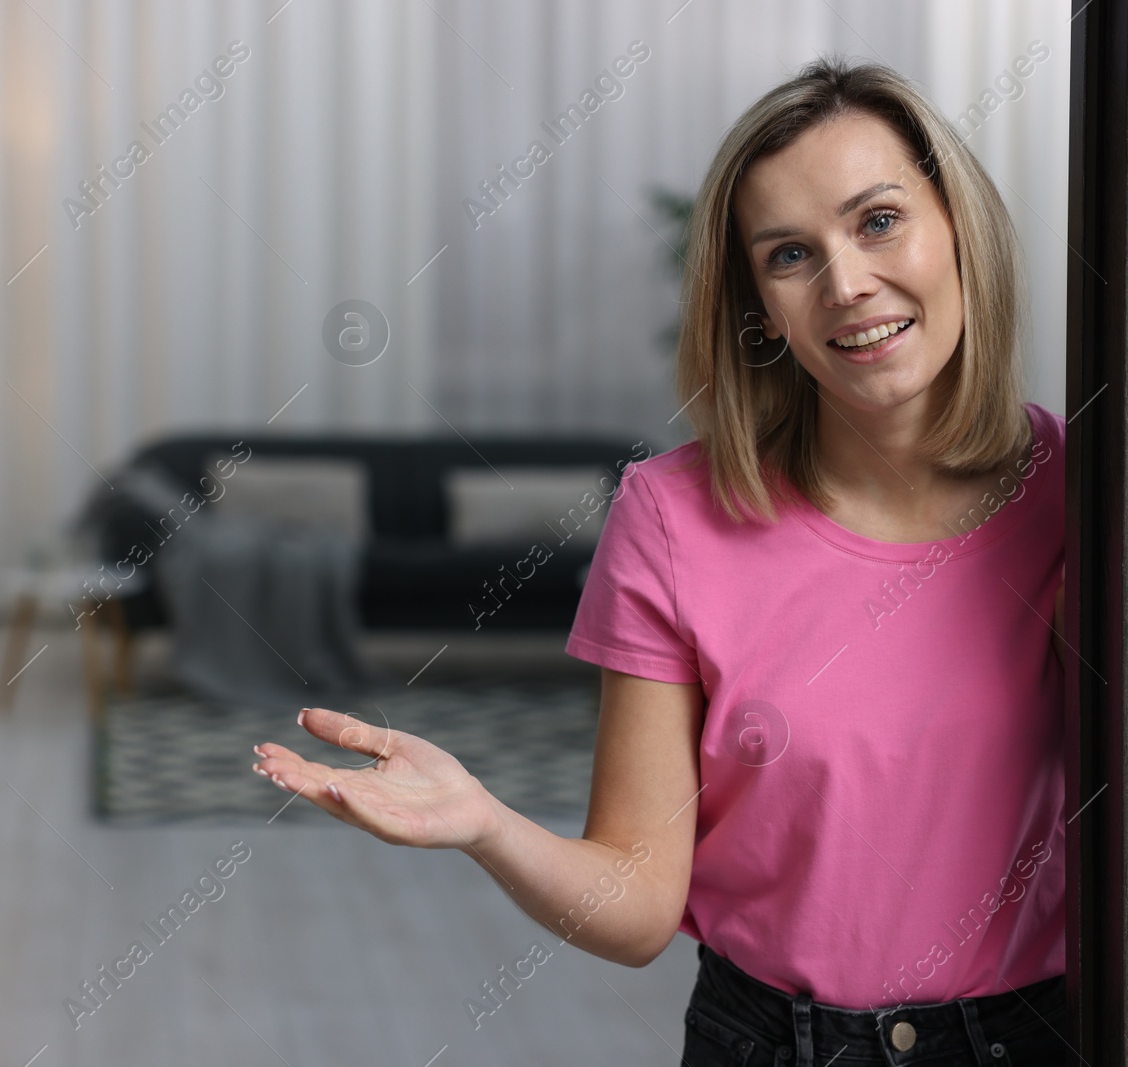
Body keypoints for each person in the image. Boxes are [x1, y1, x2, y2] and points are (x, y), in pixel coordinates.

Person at [252, 54, 1073, 1066]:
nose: (847, 283)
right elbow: (638, 905)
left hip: (1033, 1038)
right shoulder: (673, 517)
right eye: (788, 255)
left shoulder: (1084, 494)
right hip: (770, 1043)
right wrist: (484, 822)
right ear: (760, 308)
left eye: (877, 220)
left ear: (959, 227)